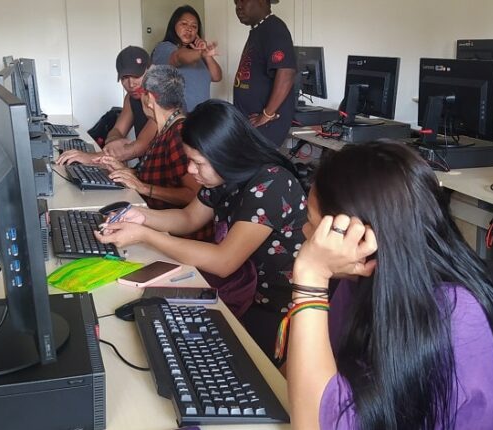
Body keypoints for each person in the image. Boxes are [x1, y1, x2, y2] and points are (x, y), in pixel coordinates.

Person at [285, 142, 493, 429]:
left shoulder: (455, 316)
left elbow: (314, 424)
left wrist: (311, 276)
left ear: (359, 238)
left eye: (311, 225)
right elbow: (311, 377)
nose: (305, 235)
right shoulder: (360, 281)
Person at [96, 100, 307, 361]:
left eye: (197, 162)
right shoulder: (224, 175)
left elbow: (224, 261)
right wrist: (141, 217)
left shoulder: (272, 183)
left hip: (273, 309)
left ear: (224, 154)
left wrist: (145, 235)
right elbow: (188, 218)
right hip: (240, 290)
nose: (189, 170)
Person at [93, 65, 212, 241]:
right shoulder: (163, 128)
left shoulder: (179, 134)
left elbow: (192, 195)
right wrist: (125, 171)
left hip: (179, 235)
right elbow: (161, 177)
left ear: (149, 99)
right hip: (155, 221)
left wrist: (143, 188)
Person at [58, 46, 156, 165]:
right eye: (125, 78)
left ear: (150, 71)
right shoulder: (131, 98)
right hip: (145, 169)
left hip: (162, 177)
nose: (131, 84)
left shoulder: (161, 99)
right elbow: (117, 130)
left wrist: (89, 158)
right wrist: (114, 142)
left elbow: (140, 146)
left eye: (136, 76)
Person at [233, 0, 296, 147]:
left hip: (264, 130)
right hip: (252, 127)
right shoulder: (259, 29)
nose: (238, 7)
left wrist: (267, 114)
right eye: (235, 2)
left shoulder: (274, 28)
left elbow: (287, 72)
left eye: (243, 0)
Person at [151, 5, 222, 112]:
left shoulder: (198, 54)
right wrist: (200, 53)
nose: (189, 29)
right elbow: (178, 57)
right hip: (178, 120)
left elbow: (217, 77)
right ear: (173, 25)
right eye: (184, 24)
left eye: (194, 26)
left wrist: (206, 55)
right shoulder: (164, 48)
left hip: (201, 119)